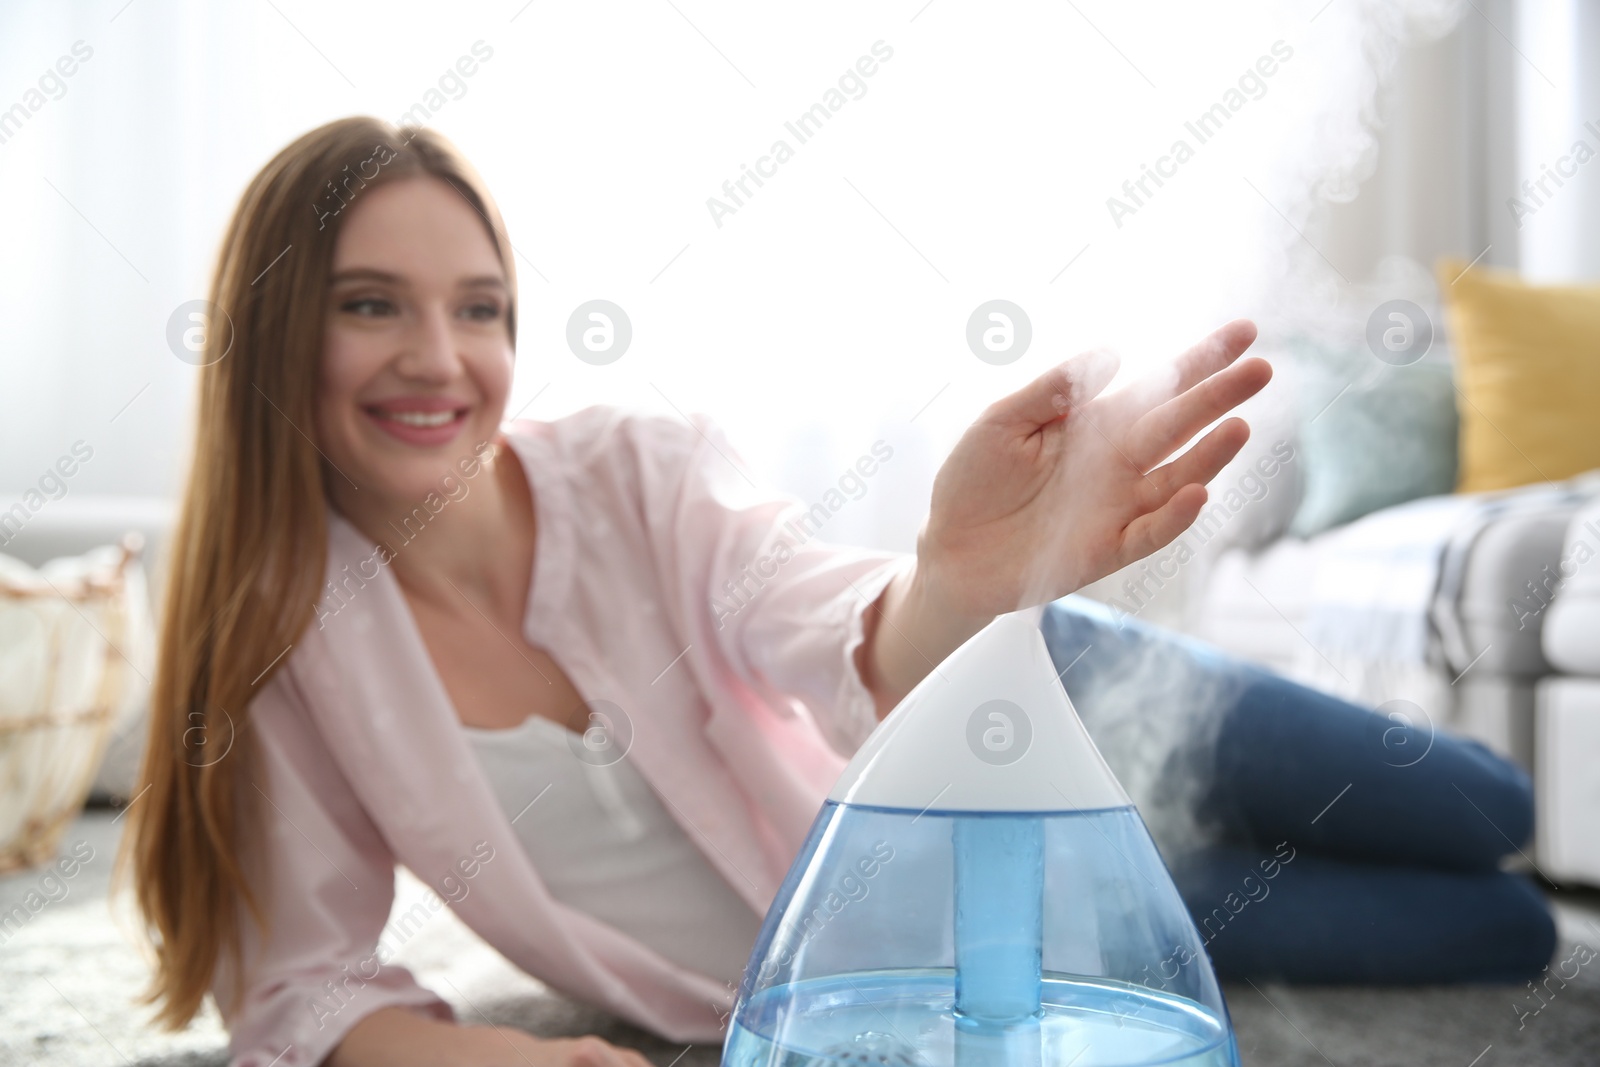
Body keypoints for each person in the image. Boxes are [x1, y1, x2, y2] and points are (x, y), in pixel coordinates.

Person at [120, 117, 1549, 1067]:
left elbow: (833, 637)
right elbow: (302, 985)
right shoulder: (285, 648)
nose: (439, 354)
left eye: (478, 305)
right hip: (994, 921)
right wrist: (521, 1060)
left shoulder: (634, 468)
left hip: (1032, 678)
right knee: (1510, 929)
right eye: (372, 302)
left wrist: (964, 579)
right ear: (271, 332)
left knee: (1486, 808)